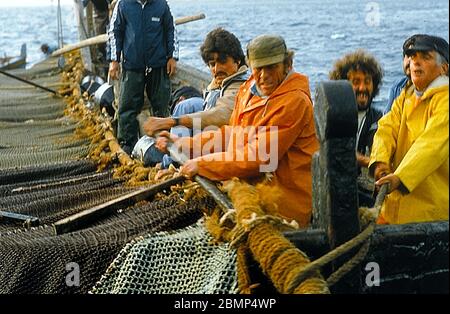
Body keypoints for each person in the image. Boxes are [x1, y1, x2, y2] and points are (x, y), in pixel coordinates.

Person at [166, 34, 319, 227]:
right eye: (258, 68)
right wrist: (184, 145)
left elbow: (260, 156)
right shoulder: (248, 89)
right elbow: (231, 134)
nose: (264, 76)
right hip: (247, 193)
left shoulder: (295, 102)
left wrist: (202, 165)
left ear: (287, 64)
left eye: (271, 67)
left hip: (283, 210)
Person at [369, 34, 449, 224]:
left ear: (444, 68)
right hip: (394, 211)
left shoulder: (445, 100)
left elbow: (431, 146)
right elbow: (386, 129)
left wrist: (399, 178)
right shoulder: (406, 97)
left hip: (430, 215)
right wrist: (380, 162)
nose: (416, 63)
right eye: (413, 57)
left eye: (425, 57)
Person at [143, 27, 249, 138]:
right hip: (212, 126)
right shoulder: (223, 78)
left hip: (225, 139)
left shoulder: (240, 84)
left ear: (237, 60)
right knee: (187, 106)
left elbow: (222, 115)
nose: (217, 69)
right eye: (212, 64)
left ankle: (177, 151)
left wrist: (171, 121)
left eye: (222, 62)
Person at [108, 0, 178, 155]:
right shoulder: (123, 4)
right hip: (132, 65)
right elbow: (115, 32)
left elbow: (170, 30)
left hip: (158, 65)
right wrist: (114, 60)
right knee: (127, 108)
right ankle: (127, 145)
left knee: (161, 105)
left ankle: (164, 145)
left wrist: (173, 57)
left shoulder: (162, 5)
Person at [329, 49, 384, 206]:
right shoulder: (331, 113)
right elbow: (336, 150)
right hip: (333, 192)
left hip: (362, 194)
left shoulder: (377, 118)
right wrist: (370, 161)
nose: (362, 88)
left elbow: (380, 148)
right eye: (356, 82)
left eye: (367, 81)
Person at [384, 35, 417, 114]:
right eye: (408, 55)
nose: (409, 61)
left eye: (414, 56)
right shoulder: (397, 88)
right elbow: (387, 118)